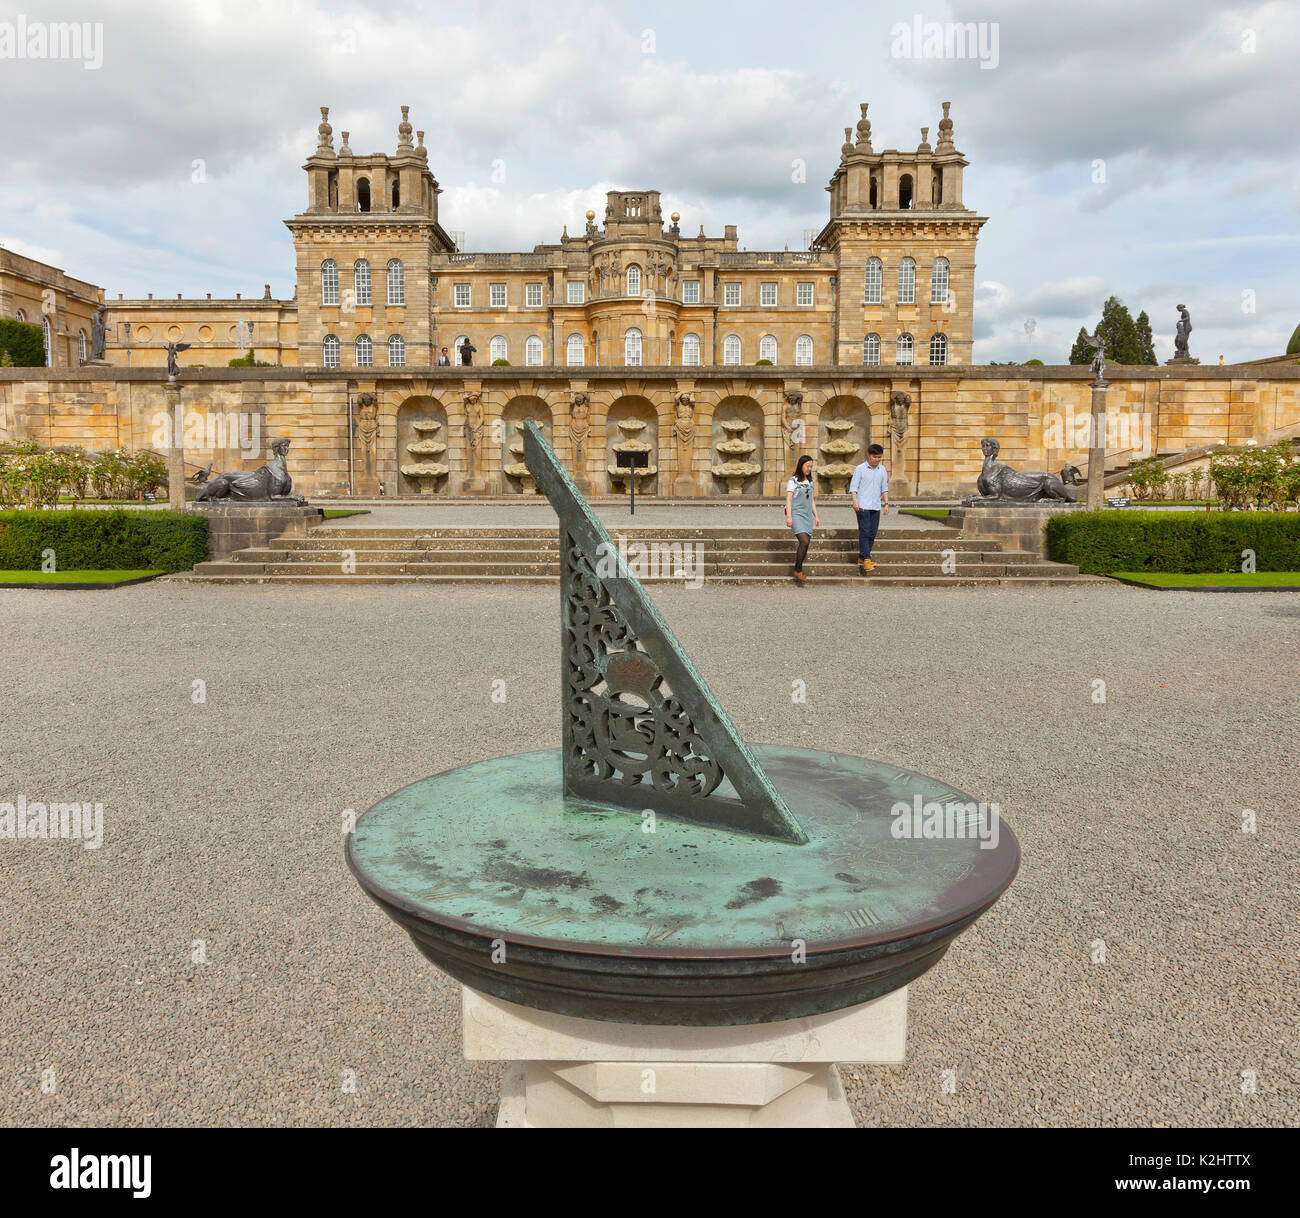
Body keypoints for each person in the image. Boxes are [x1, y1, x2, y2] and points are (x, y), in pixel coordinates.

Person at [849, 443, 889, 572]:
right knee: (865, 532)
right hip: (862, 505)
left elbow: (884, 488)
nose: (877, 459)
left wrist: (886, 504)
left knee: (873, 533)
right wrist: (855, 502)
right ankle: (867, 559)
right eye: (875, 457)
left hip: (875, 506)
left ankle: (862, 557)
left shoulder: (882, 470)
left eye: (879, 457)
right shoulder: (860, 469)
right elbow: (853, 488)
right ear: (869, 455)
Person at [784, 454, 820, 585]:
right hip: (796, 514)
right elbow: (788, 499)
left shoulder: (810, 481)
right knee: (804, 541)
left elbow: (811, 501)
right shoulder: (793, 480)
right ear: (801, 465)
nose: (809, 468)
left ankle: (798, 569)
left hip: (807, 516)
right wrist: (789, 516)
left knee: (806, 544)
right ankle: (798, 570)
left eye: (811, 466)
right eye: (807, 466)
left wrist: (816, 516)